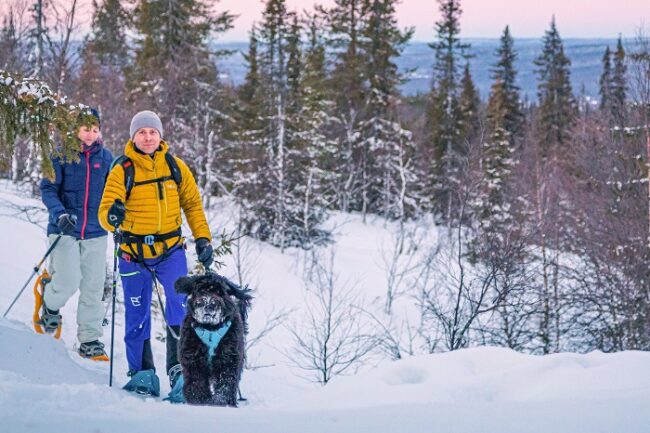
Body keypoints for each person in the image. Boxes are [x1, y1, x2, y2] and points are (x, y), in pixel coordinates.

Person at [98, 110, 214, 397]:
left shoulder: (175, 167)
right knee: (137, 313)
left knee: (180, 306)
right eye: (142, 132)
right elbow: (104, 212)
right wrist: (113, 215)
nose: (148, 137)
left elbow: (193, 206)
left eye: (152, 132)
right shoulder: (122, 169)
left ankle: (180, 371)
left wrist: (203, 239)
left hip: (170, 251)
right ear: (133, 136)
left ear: (160, 135)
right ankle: (141, 373)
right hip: (133, 254)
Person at [39, 107, 114, 361]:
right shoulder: (60, 156)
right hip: (64, 229)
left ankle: (90, 340)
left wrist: (117, 211)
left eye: (95, 129)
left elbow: (113, 194)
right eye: (85, 129)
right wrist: (59, 213)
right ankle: (50, 304)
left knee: (93, 287)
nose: (90, 135)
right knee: (69, 279)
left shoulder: (107, 159)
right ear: (74, 129)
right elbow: (48, 189)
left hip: (95, 231)